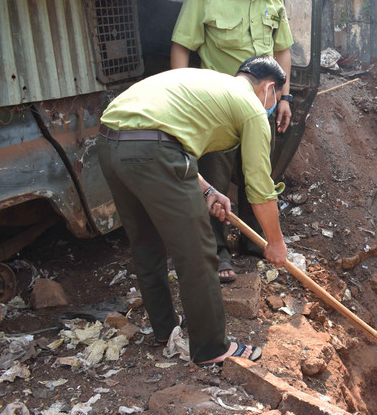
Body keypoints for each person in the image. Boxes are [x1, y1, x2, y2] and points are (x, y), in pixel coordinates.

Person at [96, 56, 288, 366]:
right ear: (268, 88)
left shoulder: (210, 83)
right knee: (198, 252)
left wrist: (209, 191)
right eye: (276, 99)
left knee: (146, 243)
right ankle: (212, 347)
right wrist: (275, 242)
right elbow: (260, 191)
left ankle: (164, 327)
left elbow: (173, 136)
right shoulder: (252, 108)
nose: (271, 106)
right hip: (154, 150)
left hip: (110, 142)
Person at [170, 0, 294, 284]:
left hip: (262, 105)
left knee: (259, 174)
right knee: (216, 179)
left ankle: (256, 244)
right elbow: (183, 46)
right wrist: (183, 95)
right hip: (218, 111)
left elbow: (283, 50)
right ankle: (218, 251)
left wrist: (284, 97)